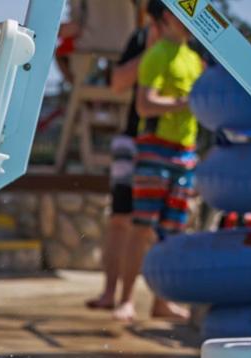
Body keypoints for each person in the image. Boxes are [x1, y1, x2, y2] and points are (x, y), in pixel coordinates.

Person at [112, 0, 203, 324]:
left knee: (173, 230)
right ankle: (125, 300)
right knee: (141, 227)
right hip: (154, 149)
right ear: (168, 17)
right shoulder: (156, 54)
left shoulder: (195, 59)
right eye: (186, 14)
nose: (194, 21)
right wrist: (183, 103)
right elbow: (145, 104)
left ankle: (162, 300)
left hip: (185, 150)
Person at [86, 13, 155, 311]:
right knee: (120, 220)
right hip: (133, 140)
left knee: (158, 226)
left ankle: (157, 301)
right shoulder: (140, 38)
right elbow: (118, 84)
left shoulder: (197, 42)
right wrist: (152, 50)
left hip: (171, 145)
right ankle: (110, 293)